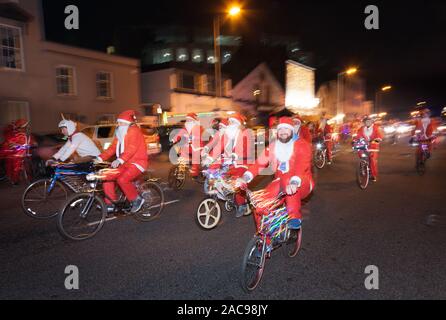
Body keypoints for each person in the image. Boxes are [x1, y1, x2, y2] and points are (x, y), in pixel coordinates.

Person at [237, 117, 314, 231]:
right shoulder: (273, 146)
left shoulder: (302, 145)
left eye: (286, 129)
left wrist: (294, 182)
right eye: (280, 129)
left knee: (288, 180)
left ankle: (294, 217)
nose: (283, 132)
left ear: (292, 130)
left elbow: (301, 166)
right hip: (280, 182)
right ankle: (264, 239)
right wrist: (245, 177)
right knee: (259, 205)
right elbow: (259, 163)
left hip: (301, 182)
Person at [201, 113, 253, 218]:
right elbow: (218, 148)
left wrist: (236, 155)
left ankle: (242, 204)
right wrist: (210, 158)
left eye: (233, 122)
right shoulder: (226, 135)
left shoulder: (244, 134)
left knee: (236, 183)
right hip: (228, 162)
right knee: (214, 173)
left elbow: (245, 148)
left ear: (238, 124)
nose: (230, 124)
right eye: (229, 122)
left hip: (241, 164)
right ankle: (219, 191)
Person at [96, 110, 148, 213]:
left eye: (120, 123)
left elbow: (131, 148)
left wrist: (120, 159)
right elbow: (112, 148)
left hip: (137, 162)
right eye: (118, 122)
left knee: (122, 179)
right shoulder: (120, 132)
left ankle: (136, 199)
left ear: (127, 123)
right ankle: (110, 203)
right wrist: (100, 158)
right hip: (125, 163)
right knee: (107, 176)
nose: (118, 125)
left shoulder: (134, 131)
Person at [0, 119, 35, 184]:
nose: (26, 128)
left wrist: (31, 144)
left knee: (26, 166)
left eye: (26, 126)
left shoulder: (26, 135)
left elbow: (31, 143)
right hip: (17, 155)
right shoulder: (16, 135)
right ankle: (14, 180)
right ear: (21, 127)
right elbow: (10, 144)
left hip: (25, 154)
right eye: (25, 126)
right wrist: (18, 146)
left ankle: (25, 178)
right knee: (16, 167)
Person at [171, 113, 204, 180]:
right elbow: (180, 134)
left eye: (189, 119)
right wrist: (173, 139)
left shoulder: (198, 127)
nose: (188, 121)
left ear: (193, 120)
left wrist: (193, 138)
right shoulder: (185, 128)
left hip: (197, 147)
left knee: (195, 160)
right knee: (182, 151)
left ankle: (195, 174)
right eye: (187, 119)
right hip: (188, 145)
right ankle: (184, 165)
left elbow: (198, 135)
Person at [355, 116, 383, 182]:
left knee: (373, 160)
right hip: (363, 145)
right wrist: (354, 141)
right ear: (364, 122)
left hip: (373, 147)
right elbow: (357, 136)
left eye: (369, 121)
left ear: (371, 122)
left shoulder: (376, 128)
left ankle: (373, 175)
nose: (367, 123)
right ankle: (363, 166)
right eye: (366, 122)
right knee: (361, 155)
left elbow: (380, 138)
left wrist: (374, 141)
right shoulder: (361, 128)